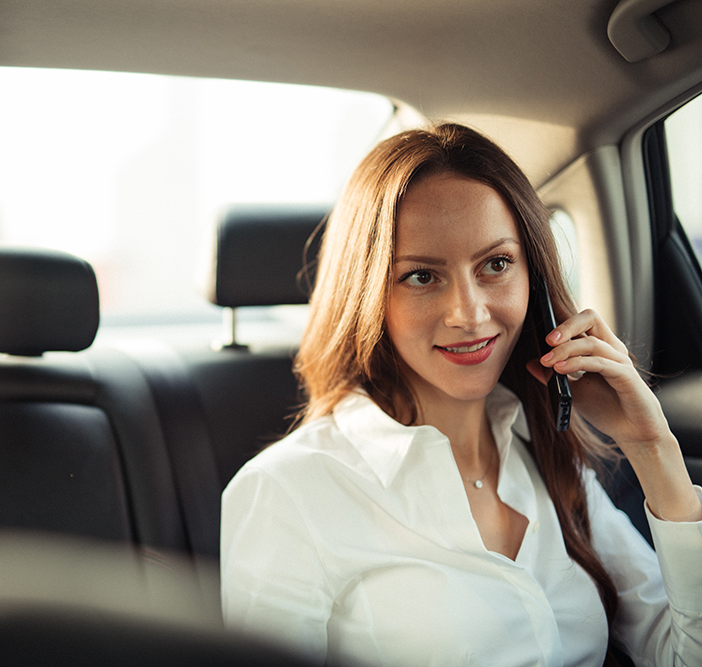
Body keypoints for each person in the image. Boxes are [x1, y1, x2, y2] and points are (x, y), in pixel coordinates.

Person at [220, 123, 702, 666]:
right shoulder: (287, 492)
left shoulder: (549, 461)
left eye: (496, 264)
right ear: (369, 294)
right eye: (422, 276)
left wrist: (650, 445)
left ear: (535, 282)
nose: (470, 315)